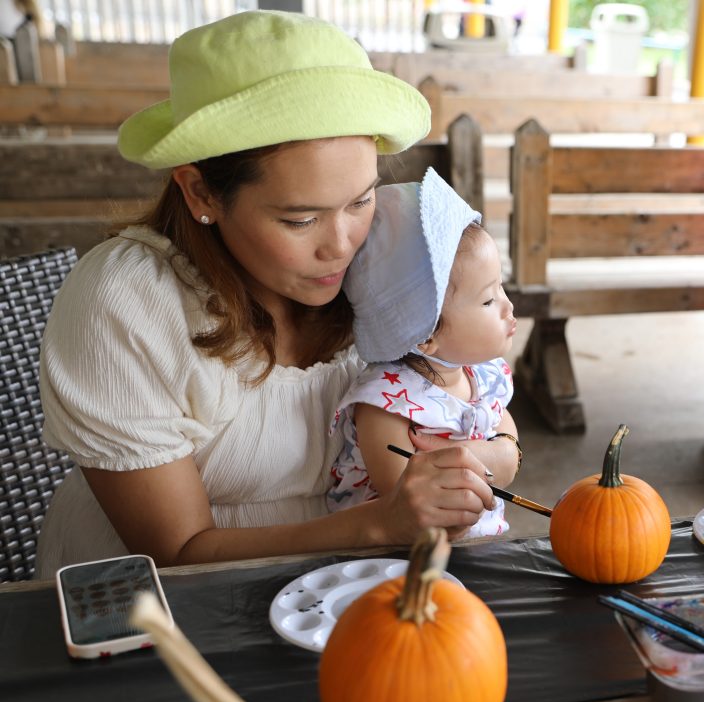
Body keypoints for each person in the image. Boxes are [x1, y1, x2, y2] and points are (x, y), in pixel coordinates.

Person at [36, 11, 517, 578]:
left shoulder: (391, 257)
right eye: (299, 219)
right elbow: (176, 552)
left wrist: (483, 459)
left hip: (342, 587)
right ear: (200, 192)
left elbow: (474, 395)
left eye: (360, 201)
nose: (340, 247)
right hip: (156, 612)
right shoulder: (125, 304)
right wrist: (382, 524)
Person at [327, 169, 518, 538]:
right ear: (426, 335)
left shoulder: (480, 372)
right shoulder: (385, 403)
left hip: (478, 546)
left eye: (501, 288)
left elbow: (502, 425)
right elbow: (404, 503)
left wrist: (499, 453)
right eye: (488, 299)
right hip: (402, 562)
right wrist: (493, 457)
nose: (509, 308)